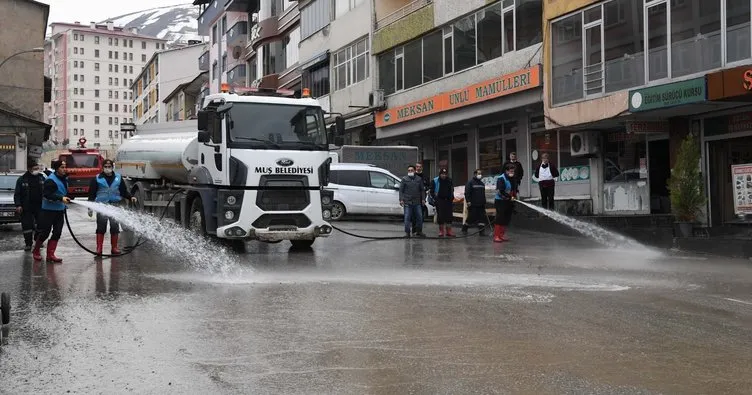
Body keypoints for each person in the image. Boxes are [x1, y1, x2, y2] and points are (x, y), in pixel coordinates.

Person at [87, 159, 137, 256]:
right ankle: (99, 248)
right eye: (105, 167)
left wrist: (131, 197)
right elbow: (92, 194)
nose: (107, 168)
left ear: (112, 167)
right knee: (101, 227)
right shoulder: (97, 179)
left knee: (114, 227)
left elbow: (123, 191)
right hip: (102, 206)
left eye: (109, 167)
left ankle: (114, 247)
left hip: (115, 206)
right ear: (102, 167)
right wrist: (90, 208)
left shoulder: (118, 178)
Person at [32, 160, 71, 262]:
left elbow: (63, 191)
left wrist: (67, 198)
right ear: (57, 168)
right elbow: (47, 195)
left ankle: (51, 255)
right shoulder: (50, 180)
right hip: (48, 211)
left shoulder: (64, 179)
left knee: (57, 232)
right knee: (45, 233)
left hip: (59, 210)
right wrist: (60, 198)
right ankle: (36, 251)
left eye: (65, 167)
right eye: (62, 167)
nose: (64, 169)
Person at [14, 160, 46, 251]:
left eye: (37, 168)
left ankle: (38, 241)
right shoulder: (22, 179)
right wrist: (18, 205)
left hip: (40, 206)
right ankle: (28, 244)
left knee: (41, 225)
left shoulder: (41, 178)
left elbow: (47, 191)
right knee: (27, 226)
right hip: (26, 207)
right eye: (34, 169)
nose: (37, 170)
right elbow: (17, 194)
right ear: (29, 169)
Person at [399, 165, 426, 238]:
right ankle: (407, 233)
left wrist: (423, 199)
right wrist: (401, 199)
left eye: (411, 170)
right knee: (407, 217)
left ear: (414, 171)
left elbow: (422, 190)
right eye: (409, 170)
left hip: (417, 202)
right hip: (407, 202)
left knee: (420, 217)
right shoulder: (404, 179)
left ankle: (419, 231)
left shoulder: (419, 179)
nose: (410, 171)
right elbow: (401, 190)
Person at [494, 164, 517, 243]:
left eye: (513, 171)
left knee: (507, 218)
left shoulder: (512, 178)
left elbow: (513, 189)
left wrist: (514, 197)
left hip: (508, 201)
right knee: (500, 217)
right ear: (506, 171)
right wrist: (509, 197)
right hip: (500, 201)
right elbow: (501, 191)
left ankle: (502, 235)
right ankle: (496, 236)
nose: (512, 172)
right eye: (511, 171)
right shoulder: (501, 179)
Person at [430, 168, 455, 237]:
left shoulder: (449, 180)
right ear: (440, 174)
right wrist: (435, 199)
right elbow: (431, 191)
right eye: (442, 174)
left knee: (449, 216)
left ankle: (449, 231)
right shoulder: (435, 180)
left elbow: (452, 189)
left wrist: (452, 197)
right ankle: (441, 231)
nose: (444, 175)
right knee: (441, 216)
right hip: (440, 200)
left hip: (448, 200)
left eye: (445, 174)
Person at [463, 169, 488, 235]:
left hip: (481, 204)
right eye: (478, 174)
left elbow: (483, 194)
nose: (480, 175)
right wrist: (468, 201)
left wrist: (484, 202)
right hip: (473, 203)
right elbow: (467, 193)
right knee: (471, 217)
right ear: (475, 174)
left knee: (482, 218)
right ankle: (465, 227)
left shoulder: (482, 184)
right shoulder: (470, 182)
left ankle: (481, 231)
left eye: (481, 174)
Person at [412, 162, 430, 232]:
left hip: (422, 198)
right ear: (415, 168)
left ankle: (419, 230)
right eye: (417, 167)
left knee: (421, 215)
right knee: (413, 215)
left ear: (422, 168)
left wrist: (426, 188)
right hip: (413, 198)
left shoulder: (425, 176)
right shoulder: (412, 175)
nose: (418, 168)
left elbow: (429, 186)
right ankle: (414, 229)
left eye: (420, 167)